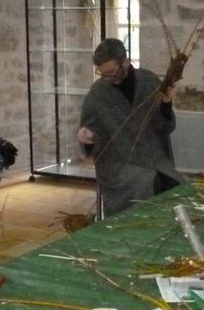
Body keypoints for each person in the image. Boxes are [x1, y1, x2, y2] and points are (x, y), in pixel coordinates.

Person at [78, 38, 184, 216]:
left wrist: (166, 103)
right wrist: (87, 138)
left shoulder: (149, 81)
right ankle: (139, 232)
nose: (107, 78)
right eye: (102, 73)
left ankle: (164, 230)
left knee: (177, 185)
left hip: (151, 156)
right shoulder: (98, 92)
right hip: (117, 162)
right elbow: (91, 132)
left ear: (125, 62)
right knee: (147, 182)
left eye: (111, 72)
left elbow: (164, 128)